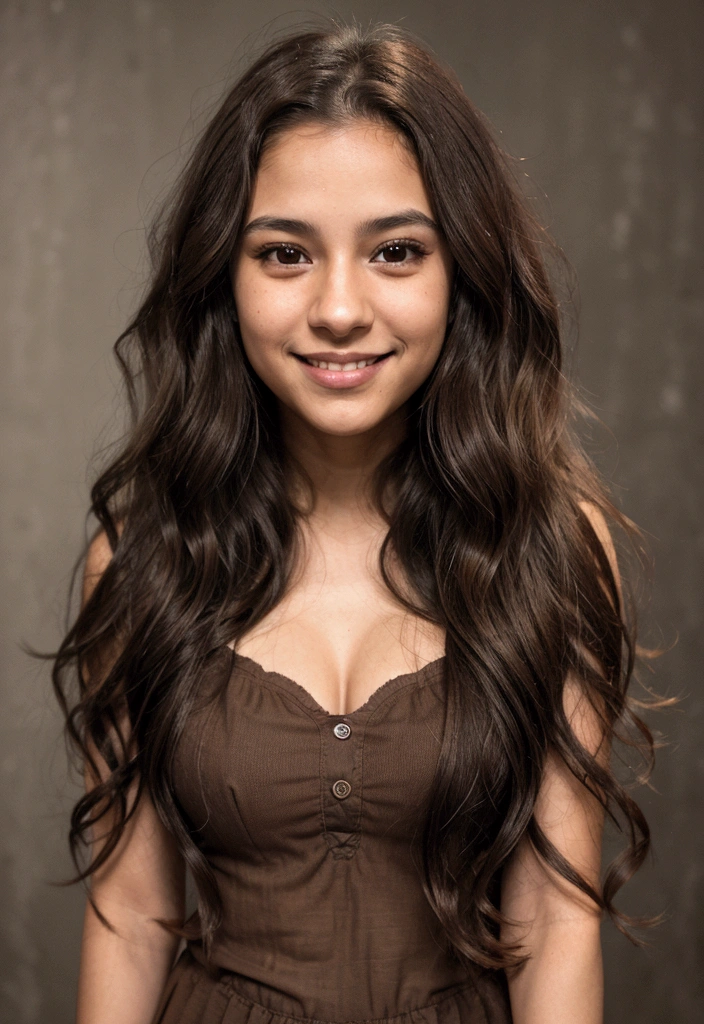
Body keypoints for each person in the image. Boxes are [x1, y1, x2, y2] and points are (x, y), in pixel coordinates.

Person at [52, 20, 658, 1024]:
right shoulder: (146, 552)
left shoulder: (549, 546)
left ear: (459, 268)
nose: (338, 307)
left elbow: (554, 920)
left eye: (395, 251)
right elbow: (132, 909)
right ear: (225, 276)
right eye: (285, 253)